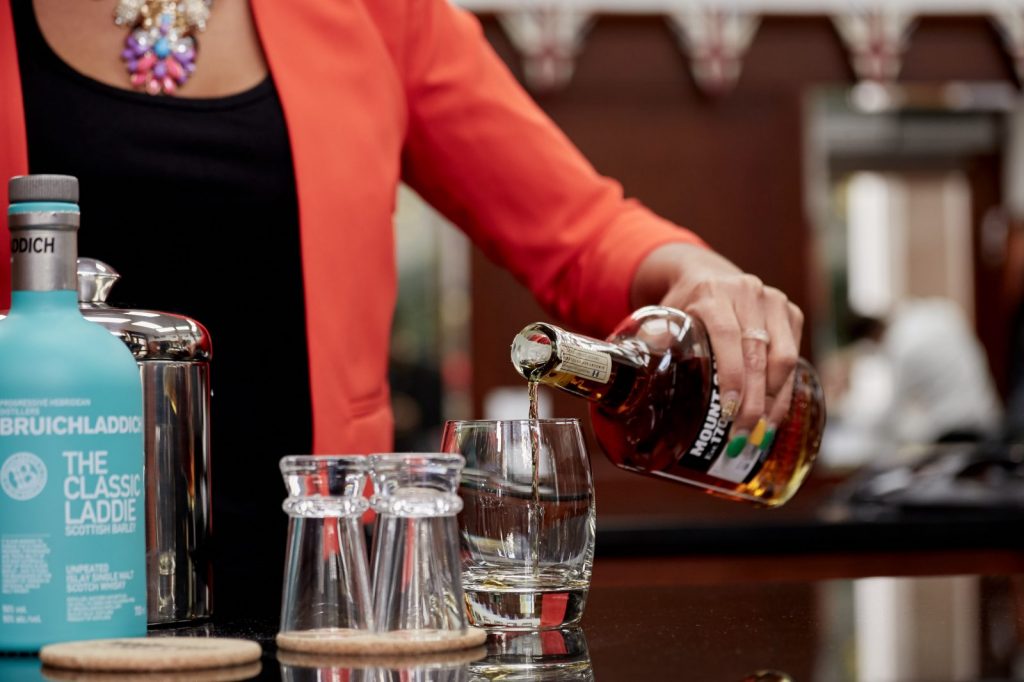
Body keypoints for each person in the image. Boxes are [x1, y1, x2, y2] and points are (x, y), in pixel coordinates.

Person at [0, 0, 804, 617]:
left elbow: (580, 229)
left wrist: (700, 275)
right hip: (26, 579)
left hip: (322, 597)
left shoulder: (381, 12)